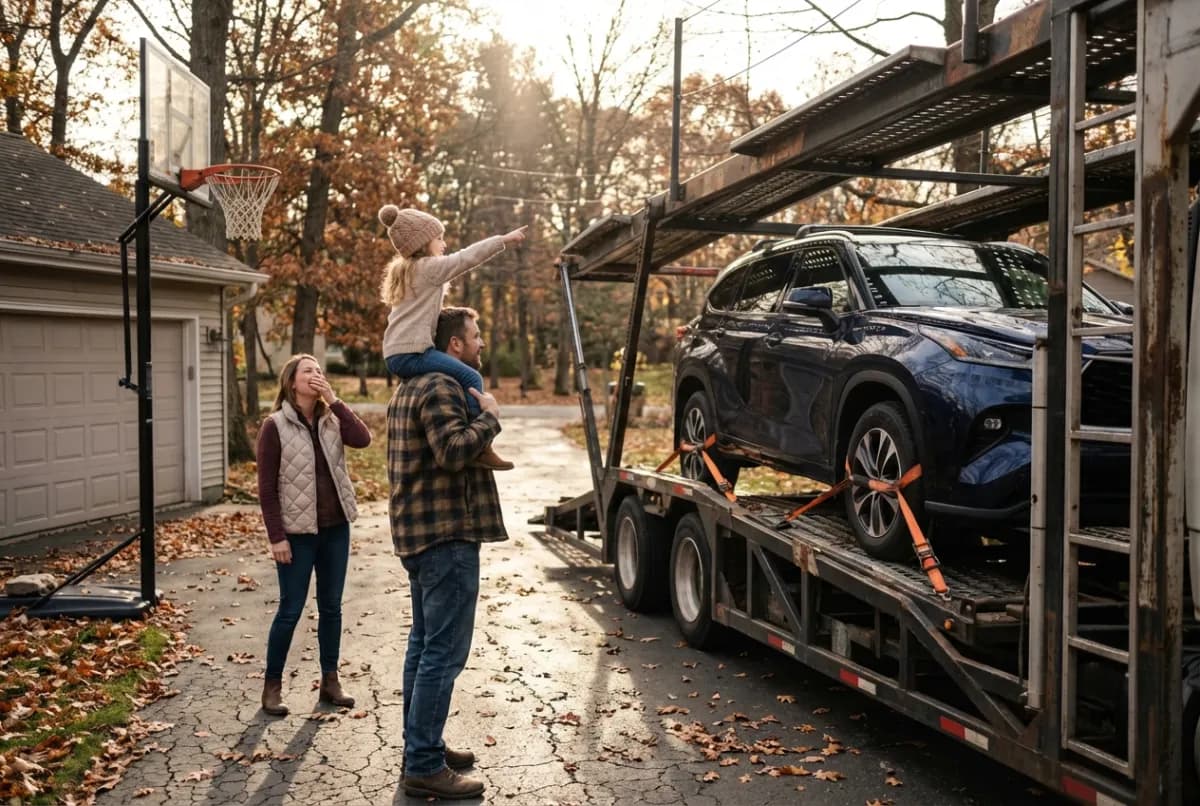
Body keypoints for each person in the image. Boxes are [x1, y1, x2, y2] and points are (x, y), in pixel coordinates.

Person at [389, 307, 509, 800]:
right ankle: (422, 764)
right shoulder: (439, 386)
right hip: (445, 537)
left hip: (422, 537)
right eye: (476, 336)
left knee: (424, 645)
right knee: (443, 652)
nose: (481, 343)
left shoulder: (408, 388)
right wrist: (491, 418)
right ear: (454, 345)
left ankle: (424, 745)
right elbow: (454, 450)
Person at [255, 354, 372, 717]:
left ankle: (330, 681)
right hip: (296, 533)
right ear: (292, 382)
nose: (316, 375)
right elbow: (266, 489)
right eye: (309, 371)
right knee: (290, 610)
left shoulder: (332, 418)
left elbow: (363, 439)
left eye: (319, 370)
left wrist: (335, 399)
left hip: (335, 529)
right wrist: (277, 537)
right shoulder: (274, 426)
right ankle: (271, 687)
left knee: (332, 608)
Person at [377, 204, 526, 471]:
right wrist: (501, 240)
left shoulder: (406, 271)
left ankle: (478, 442)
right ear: (423, 243)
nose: (444, 244)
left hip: (395, 352)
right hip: (412, 352)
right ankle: (481, 446)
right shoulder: (428, 268)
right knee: (472, 377)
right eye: (439, 238)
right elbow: (465, 259)